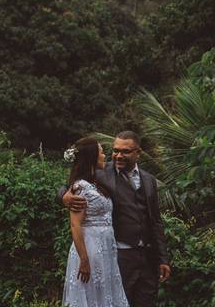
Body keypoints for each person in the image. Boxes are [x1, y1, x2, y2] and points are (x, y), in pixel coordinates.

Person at [60, 131, 171, 307]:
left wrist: (162, 258)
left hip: (147, 257)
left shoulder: (149, 180)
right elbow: (72, 185)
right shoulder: (101, 172)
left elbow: (155, 221)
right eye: (115, 150)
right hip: (119, 255)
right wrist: (64, 197)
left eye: (125, 151)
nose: (118, 155)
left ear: (138, 152)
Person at [61, 136, 129, 307]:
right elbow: (75, 225)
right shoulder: (80, 187)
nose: (105, 156)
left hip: (106, 248)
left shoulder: (96, 183)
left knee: (105, 294)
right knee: (91, 295)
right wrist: (84, 259)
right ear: (92, 157)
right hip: (90, 249)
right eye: (101, 152)